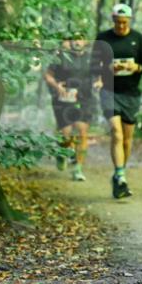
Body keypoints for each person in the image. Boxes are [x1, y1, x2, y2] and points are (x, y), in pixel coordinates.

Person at [92, 4, 142, 198]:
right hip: (109, 92)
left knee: (127, 140)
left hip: (131, 94)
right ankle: (120, 175)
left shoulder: (138, 39)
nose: (120, 26)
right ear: (113, 21)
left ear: (130, 21)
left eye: (124, 22)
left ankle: (119, 176)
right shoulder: (103, 38)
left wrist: (136, 67)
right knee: (117, 134)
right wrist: (102, 73)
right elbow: (93, 65)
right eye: (117, 22)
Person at [44, 39, 96, 182]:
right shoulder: (61, 56)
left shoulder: (92, 58)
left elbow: (101, 75)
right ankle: (62, 152)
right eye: (74, 39)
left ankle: (78, 168)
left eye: (81, 39)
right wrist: (57, 87)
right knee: (66, 134)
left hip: (84, 99)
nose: (77, 42)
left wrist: (99, 82)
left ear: (86, 42)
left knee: (82, 132)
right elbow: (48, 75)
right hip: (64, 98)